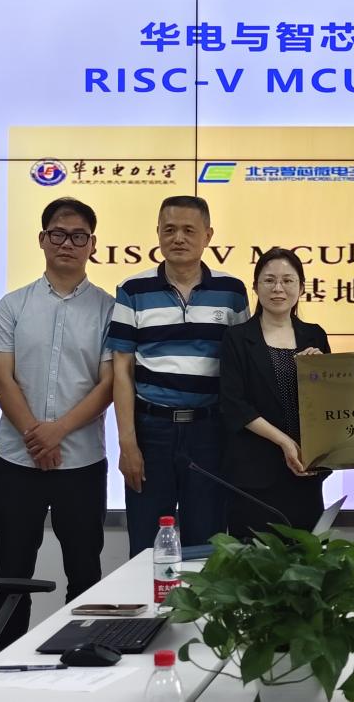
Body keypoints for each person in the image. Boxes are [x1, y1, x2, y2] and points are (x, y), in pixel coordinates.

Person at [0, 197, 114, 648]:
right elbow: (2, 378)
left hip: (81, 465)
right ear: (42, 239)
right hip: (16, 462)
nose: (67, 243)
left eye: (79, 236)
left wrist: (57, 431)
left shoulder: (109, 310)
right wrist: (35, 437)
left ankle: (81, 662)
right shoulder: (13, 305)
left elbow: (108, 384)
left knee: (85, 572)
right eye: (58, 234)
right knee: (11, 573)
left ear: (92, 244)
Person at [108, 196, 249, 556]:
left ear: (208, 236)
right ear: (157, 233)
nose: (178, 238)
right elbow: (121, 369)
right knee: (146, 547)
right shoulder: (133, 290)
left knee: (207, 544)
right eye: (169, 230)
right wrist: (127, 444)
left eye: (189, 230)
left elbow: (243, 365)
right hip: (151, 432)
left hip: (210, 432)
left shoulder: (231, 292)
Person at [220, 247, 330, 540]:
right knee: (253, 560)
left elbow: (328, 404)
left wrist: (322, 372)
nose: (278, 288)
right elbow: (234, 404)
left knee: (306, 558)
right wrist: (283, 441)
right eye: (269, 280)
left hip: (305, 470)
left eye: (287, 280)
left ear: (301, 288)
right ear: (255, 287)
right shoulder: (237, 338)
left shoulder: (315, 335)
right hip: (253, 473)